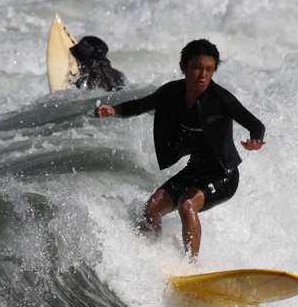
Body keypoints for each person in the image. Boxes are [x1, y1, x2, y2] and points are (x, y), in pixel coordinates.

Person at [94, 39, 265, 257]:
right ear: (184, 66)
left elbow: (256, 124)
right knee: (152, 208)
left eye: (209, 70)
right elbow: (141, 105)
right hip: (195, 169)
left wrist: (255, 141)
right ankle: (154, 255)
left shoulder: (220, 99)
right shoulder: (172, 93)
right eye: (197, 67)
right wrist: (114, 110)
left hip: (224, 174)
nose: (202, 75)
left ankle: (191, 266)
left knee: (187, 204)